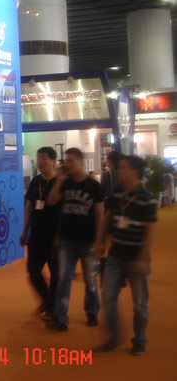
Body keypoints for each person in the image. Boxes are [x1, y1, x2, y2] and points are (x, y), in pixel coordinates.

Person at [92, 155, 157, 355]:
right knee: (108, 297)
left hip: (137, 258)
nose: (118, 171)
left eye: (123, 168)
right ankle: (113, 338)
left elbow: (150, 232)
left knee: (140, 304)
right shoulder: (116, 194)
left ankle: (139, 340)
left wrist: (142, 259)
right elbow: (107, 219)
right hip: (115, 256)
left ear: (135, 172)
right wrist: (99, 243)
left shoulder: (147, 198)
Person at [46, 147, 104, 331]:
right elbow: (51, 201)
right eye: (66, 160)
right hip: (67, 239)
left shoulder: (94, 186)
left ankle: (92, 311)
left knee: (90, 279)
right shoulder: (66, 183)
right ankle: (61, 318)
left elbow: (100, 215)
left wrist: (98, 241)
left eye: (71, 160)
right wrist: (60, 179)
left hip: (88, 240)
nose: (68, 164)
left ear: (81, 161)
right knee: (63, 278)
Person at [19, 147, 61, 321]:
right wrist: (24, 231)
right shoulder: (36, 181)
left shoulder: (60, 182)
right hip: (36, 235)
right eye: (39, 158)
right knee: (33, 271)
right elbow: (29, 206)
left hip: (55, 237)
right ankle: (46, 299)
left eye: (44, 158)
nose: (40, 162)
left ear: (53, 161)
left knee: (56, 275)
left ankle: (51, 309)